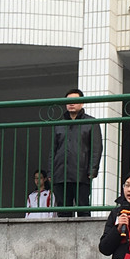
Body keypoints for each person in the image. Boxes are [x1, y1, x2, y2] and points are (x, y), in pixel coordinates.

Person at [49, 88, 103, 217]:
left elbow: (96, 148)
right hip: (61, 172)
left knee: (83, 207)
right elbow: (53, 150)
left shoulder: (91, 123)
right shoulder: (59, 124)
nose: (71, 104)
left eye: (75, 100)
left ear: (82, 103)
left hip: (81, 173)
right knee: (63, 209)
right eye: (68, 101)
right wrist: (51, 172)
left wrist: (93, 170)